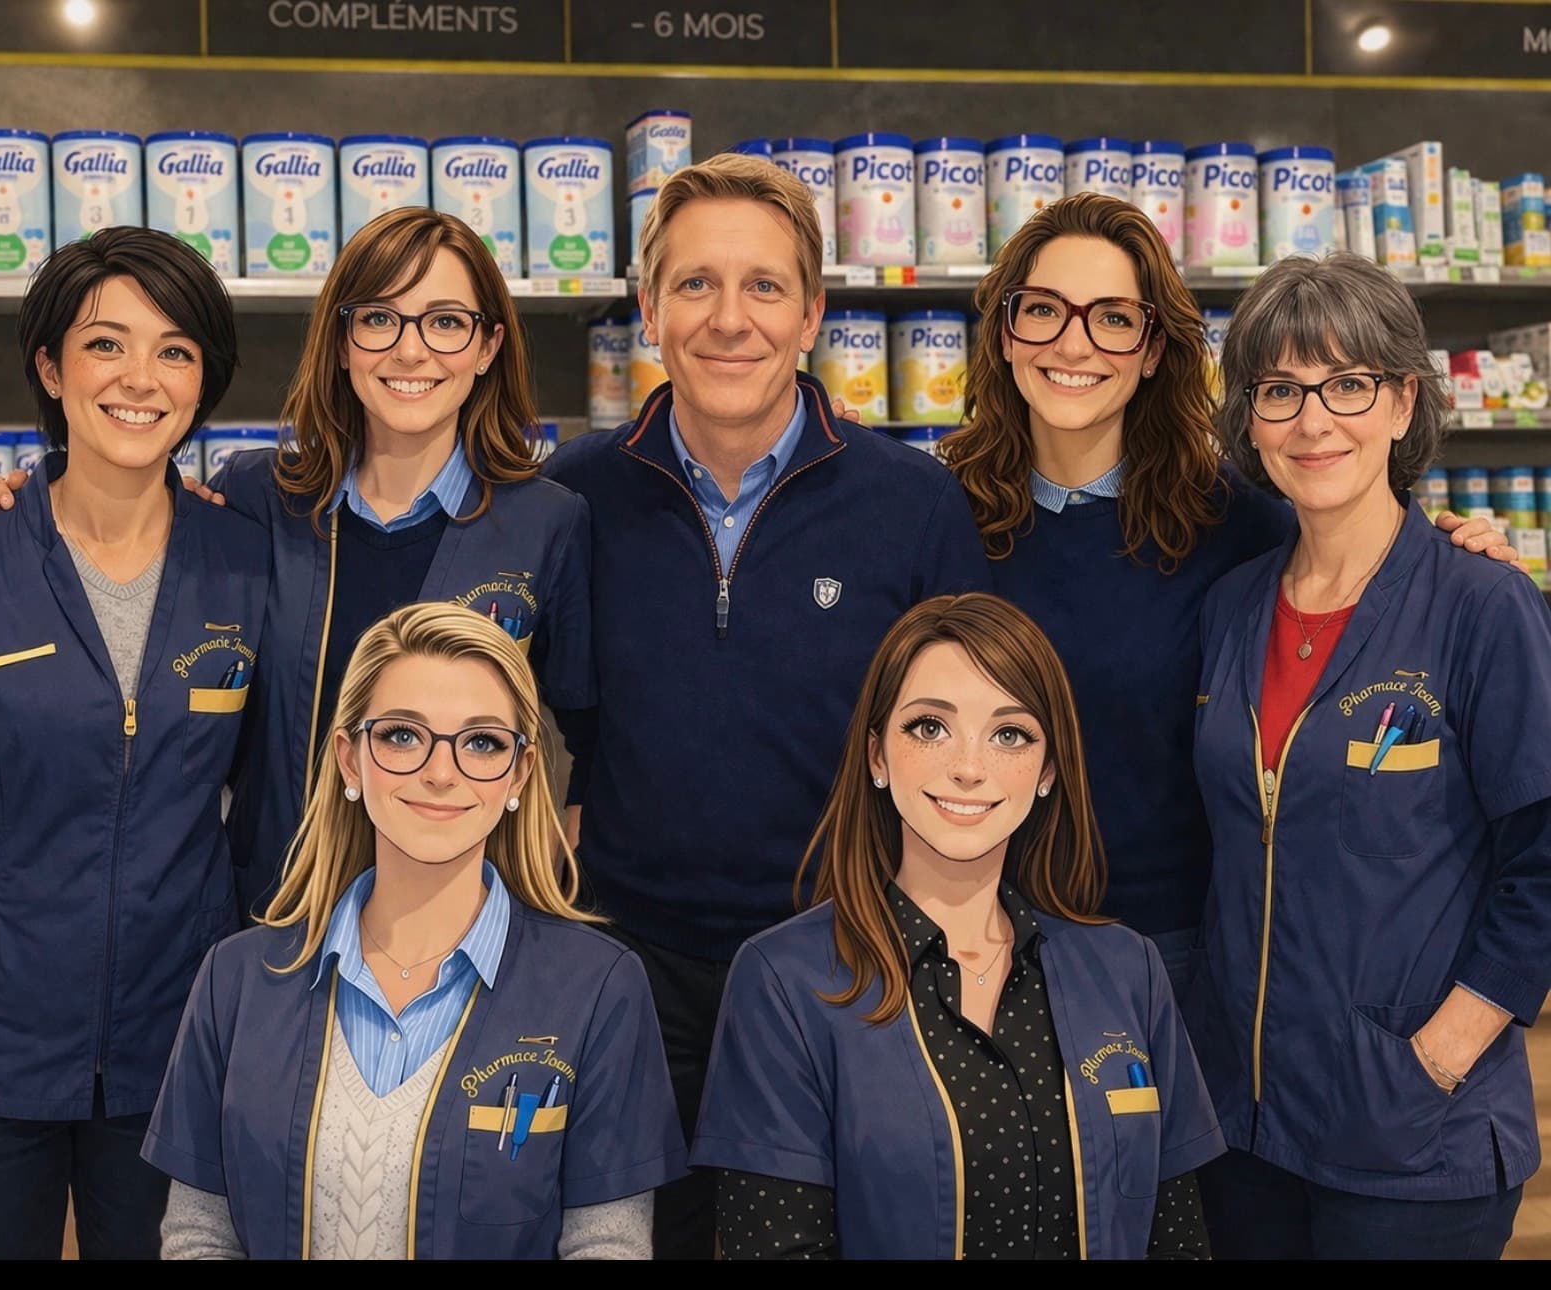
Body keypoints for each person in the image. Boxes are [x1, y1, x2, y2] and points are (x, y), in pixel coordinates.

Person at [540, 151, 991, 1258]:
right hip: (631, 971)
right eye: (695, 283)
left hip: (849, 963)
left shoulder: (913, 503)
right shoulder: (574, 497)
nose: (729, 318)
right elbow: (562, 722)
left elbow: (966, 743)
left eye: (764, 286)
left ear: (812, 314)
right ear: (649, 310)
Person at [927, 193, 1517, 994]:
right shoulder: (931, 512)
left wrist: (1455, 562)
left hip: (1175, 954)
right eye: (1042, 310)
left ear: (1153, 350)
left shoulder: (1237, 523)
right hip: (967, 938)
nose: (1073, 342)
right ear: (1004, 333)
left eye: (1113, 318)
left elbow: (1361, 555)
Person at [0, 207, 594, 924]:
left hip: (456, 919)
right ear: (342, 342)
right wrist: (19, 510)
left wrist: (543, 904)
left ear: (487, 346)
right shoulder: (257, 497)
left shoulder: (547, 523)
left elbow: (591, 746)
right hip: (273, 919)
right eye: (379, 319)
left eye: (446, 322)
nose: (411, 350)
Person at [1186, 252, 1551, 1259]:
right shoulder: (1232, 607)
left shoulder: (1483, 605)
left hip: (1412, 1138)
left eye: (1347, 383)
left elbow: (1543, 864)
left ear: (1402, 403)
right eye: (1280, 390)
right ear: (1250, 420)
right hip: (1244, 1126)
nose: (1313, 421)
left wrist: (1437, 1057)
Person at [144, 603, 686, 1259]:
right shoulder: (235, 980)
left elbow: (607, 1245)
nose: (440, 772)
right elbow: (199, 1235)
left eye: (482, 742)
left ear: (519, 773)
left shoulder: (599, 989)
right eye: (402, 735)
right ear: (350, 759)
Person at [692, 593, 1222, 1259]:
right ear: (877, 756)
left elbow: (1178, 1240)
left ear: (1048, 770)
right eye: (930, 727)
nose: (969, 767)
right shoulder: (783, 983)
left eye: (1010, 734)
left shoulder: (1129, 971)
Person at [0, 227, 270, 1258]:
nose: (141, 379)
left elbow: (272, 809)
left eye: (175, 350)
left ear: (204, 379)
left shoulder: (247, 565)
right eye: (104, 345)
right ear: (50, 368)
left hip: (178, 1054)